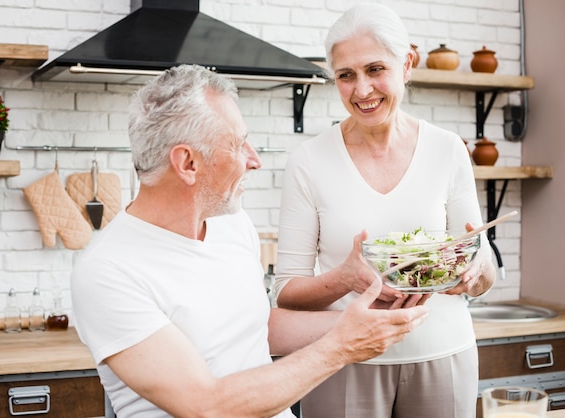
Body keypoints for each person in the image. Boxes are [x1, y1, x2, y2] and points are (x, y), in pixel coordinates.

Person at [70, 64, 428, 418]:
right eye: (239, 144)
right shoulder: (107, 270)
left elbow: (257, 327)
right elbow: (205, 405)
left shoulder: (231, 224)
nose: (254, 160)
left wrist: (362, 318)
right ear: (188, 163)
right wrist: (342, 345)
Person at [275, 3, 497, 418]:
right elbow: (286, 291)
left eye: (375, 69)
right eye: (346, 75)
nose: (362, 91)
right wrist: (344, 279)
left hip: (443, 354)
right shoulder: (308, 160)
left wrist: (476, 270)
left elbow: (484, 269)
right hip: (343, 360)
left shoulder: (447, 149)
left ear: (407, 64)